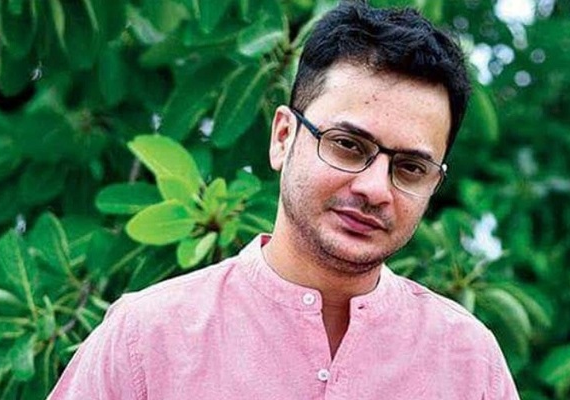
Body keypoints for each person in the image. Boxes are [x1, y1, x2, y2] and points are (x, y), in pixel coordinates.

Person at [49, 1, 520, 399]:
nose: (375, 189)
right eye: (347, 145)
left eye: (410, 168)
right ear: (282, 137)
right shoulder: (148, 339)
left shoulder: (468, 362)